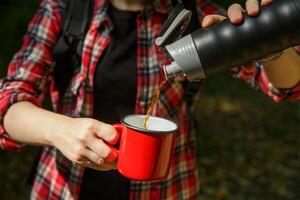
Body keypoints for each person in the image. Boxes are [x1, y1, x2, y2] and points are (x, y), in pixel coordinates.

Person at [0, 0, 299, 199]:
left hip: (167, 191)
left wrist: (268, 42)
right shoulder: (63, 10)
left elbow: (287, 87)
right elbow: (7, 104)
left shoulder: (196, 14)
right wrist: (59, 130)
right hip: (62, 190)